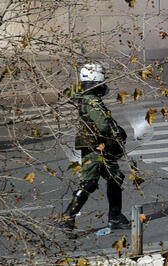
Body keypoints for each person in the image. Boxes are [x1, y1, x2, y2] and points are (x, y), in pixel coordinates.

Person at [61, 63, 130, 233]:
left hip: (98, 146)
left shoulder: (86, 97)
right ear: (96, 79)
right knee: (89, 183)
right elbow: (103, 124)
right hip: (96, 147)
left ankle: (115, 216)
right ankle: (67, 217)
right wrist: (116, 133)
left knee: (115, 177)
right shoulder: (91, 100)